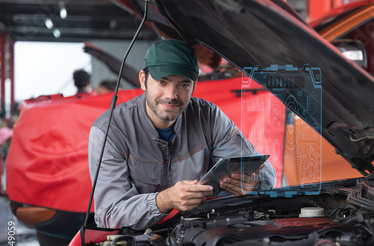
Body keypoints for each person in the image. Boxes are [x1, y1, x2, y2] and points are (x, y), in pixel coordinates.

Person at [88, 39, 276, 230]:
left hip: (202, 232)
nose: (172, 95)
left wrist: (256, 182)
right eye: (162, 82)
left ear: (194, 85)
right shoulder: (109, 131)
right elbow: (109, 213)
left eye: (183, 85)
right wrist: (164, 200)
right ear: (143, 80)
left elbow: (266, 173)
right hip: (141, 242)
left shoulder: (209, 117)